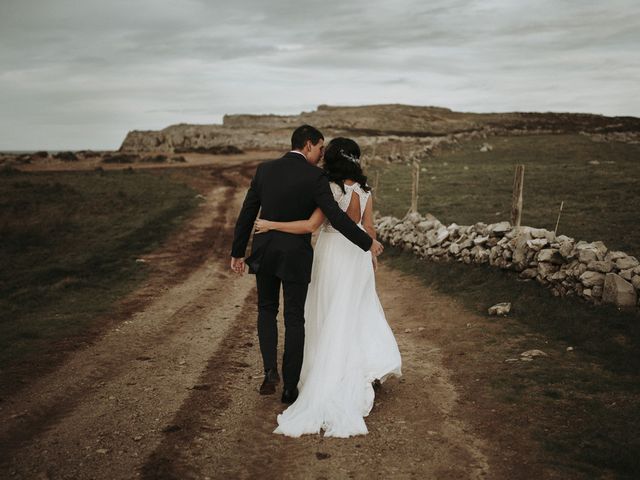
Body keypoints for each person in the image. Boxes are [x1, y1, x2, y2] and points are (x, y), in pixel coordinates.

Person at [254, 137, 402, 438]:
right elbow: (369, 227)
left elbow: (311, 226)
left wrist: (271, 225)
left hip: (334, 254)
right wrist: (370, 252)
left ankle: (330, 371)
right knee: (357, 311)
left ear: (332, 158)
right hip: (358, 256)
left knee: (327, 311)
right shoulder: (365, 190)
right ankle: (365, 368)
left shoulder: (330, 189)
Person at [230, 125, 385, 405]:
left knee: (266, 310)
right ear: (309, 145)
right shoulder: (317, 177)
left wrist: (238, 252)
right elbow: (336, 218)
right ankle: (290, 387)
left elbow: (248, 212)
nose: (322, 154)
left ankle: (269, 372)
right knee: (294, 318)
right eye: (321, 147)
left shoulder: (264, 170)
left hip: (265, 250)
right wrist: (367, 244)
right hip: (295, 255)